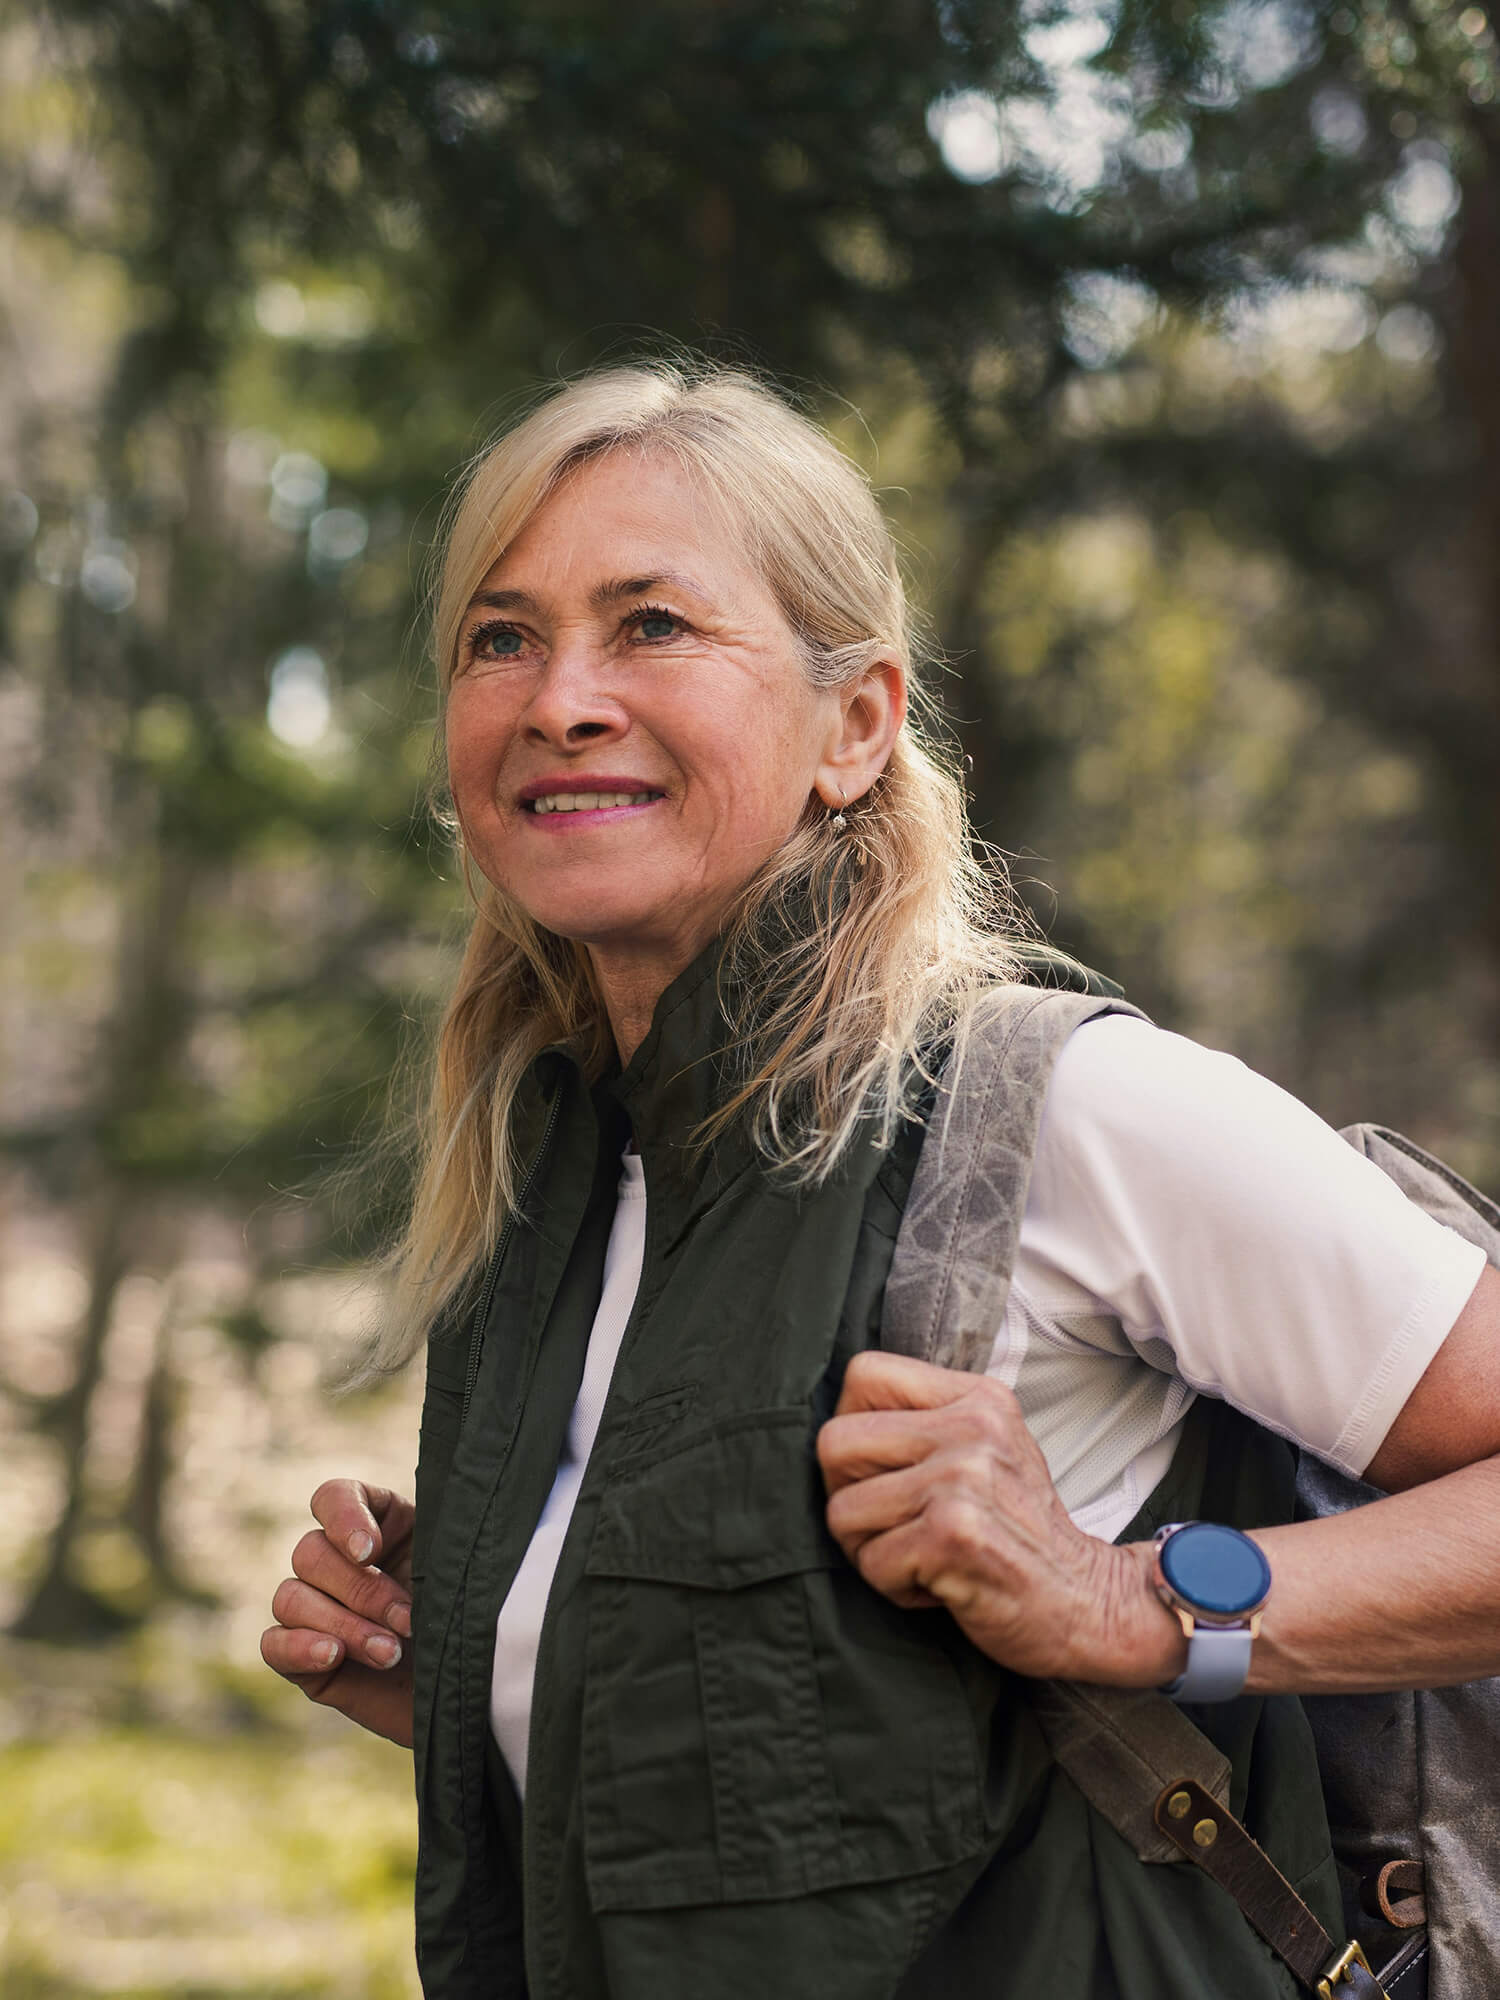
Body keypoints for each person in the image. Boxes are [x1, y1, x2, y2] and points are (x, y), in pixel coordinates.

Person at [260, 361, 1500, 2000]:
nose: (559, 694)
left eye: (651, 626)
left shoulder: (1059, 1113)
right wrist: (507, 1652)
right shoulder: (544, 1196)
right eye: (503, 638)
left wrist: (1136, 1603)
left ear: (856, 726)